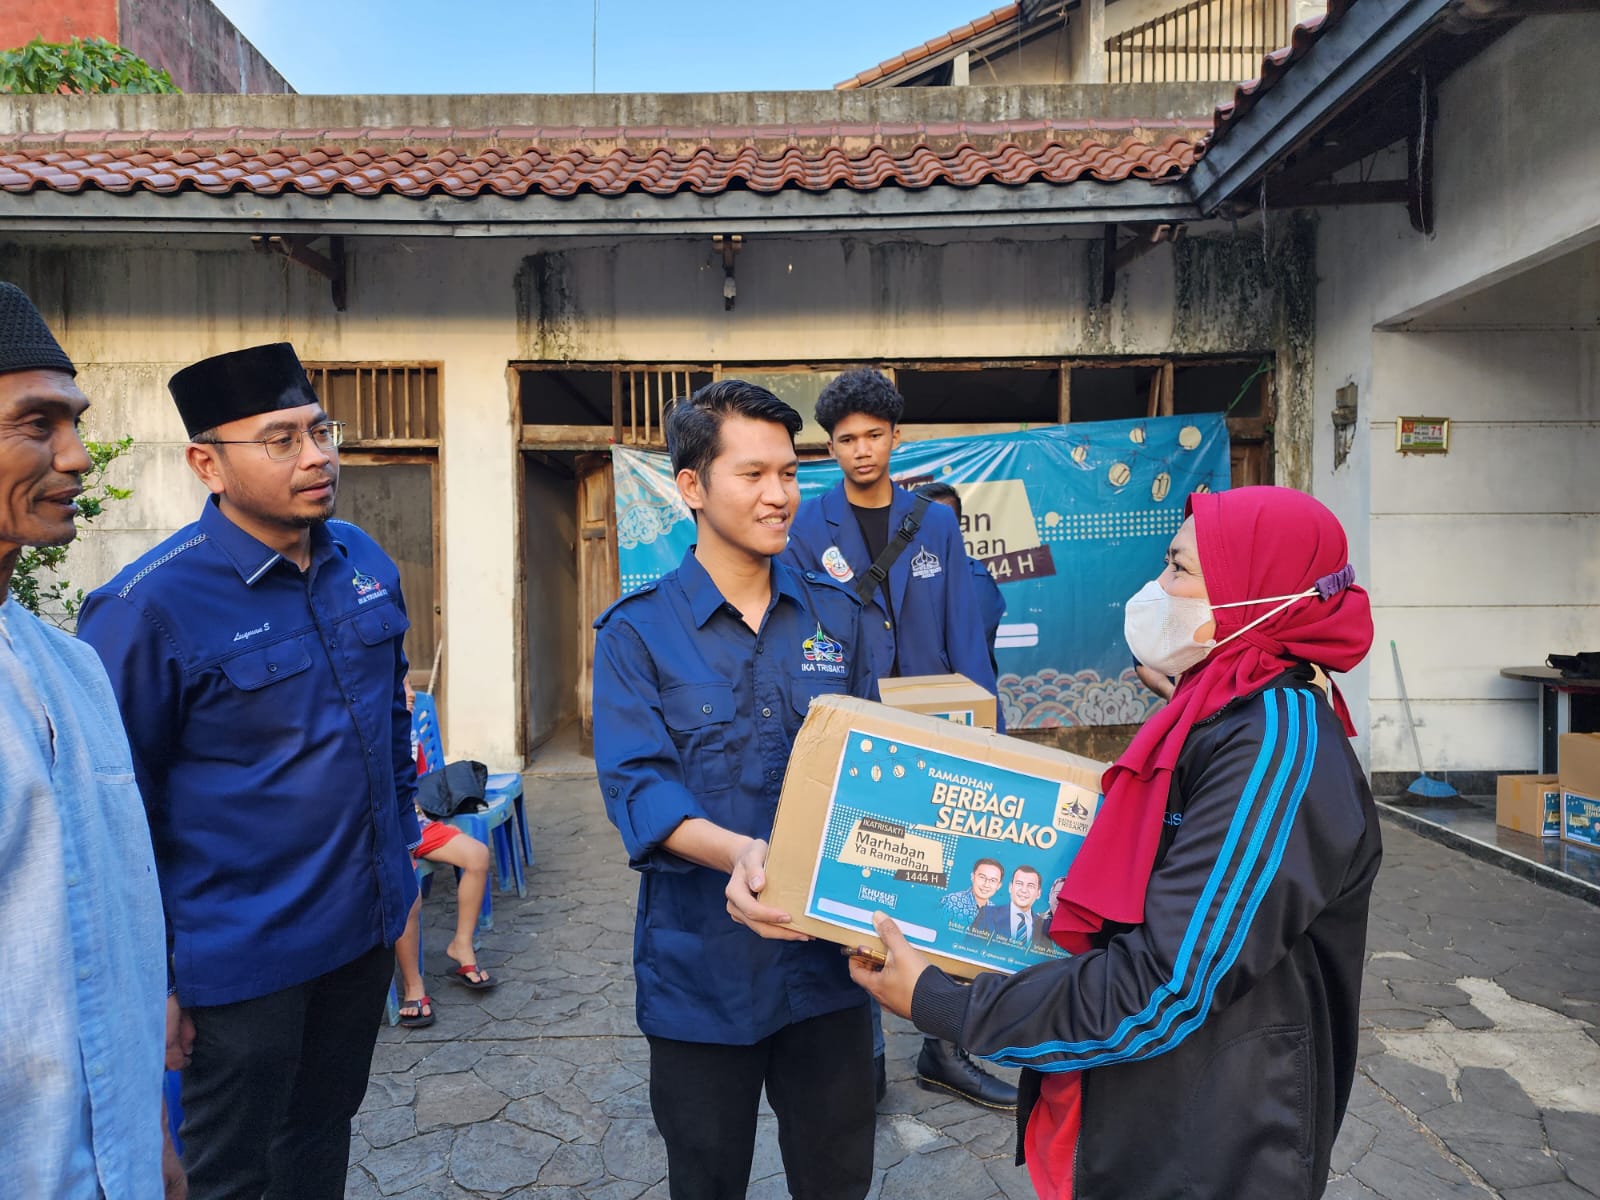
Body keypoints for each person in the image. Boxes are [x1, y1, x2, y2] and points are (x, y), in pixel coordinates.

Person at [852, 486, 1381, 1200]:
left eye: (1179, 569)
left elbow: (1168, 980)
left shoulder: (1276, 743)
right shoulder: (1219, 714)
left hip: (1212, 1148)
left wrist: (950, 1007)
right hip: (1142, 1113)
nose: (1158, 588)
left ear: (1257, 593)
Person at [78, 342, 421, 1200]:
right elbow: (111, 819)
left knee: (320, 1141)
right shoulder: (145, 609)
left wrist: (403, 860)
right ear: (207, 463)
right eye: (280, 440)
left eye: (319, 430)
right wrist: (153, 981)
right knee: (232, 1173)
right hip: (239, 963)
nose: (316, 457)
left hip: (361, 933)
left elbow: (388, 723)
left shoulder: (364, 563)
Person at [593, 379, 880, 1200]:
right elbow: (639, 788)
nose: (780, 495)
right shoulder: (636, 634)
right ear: (691, 486)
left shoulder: (839, 619)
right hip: (700, 978)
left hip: (827, 971)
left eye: (789, 474)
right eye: (753, 475)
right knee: (707, 1180)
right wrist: (742, 854)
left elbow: (870, 774)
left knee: (837, 1181)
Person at [784, 368, 1013, 1110]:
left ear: (895, 437)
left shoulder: (935, 522)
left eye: (873, 436)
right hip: (856, 739)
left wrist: (987, 735)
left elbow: (962, 635)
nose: (860, 451)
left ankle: (946, 1047)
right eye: (845, 439)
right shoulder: (807, 526)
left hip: (933, 734)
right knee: (857, 891)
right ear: (830, 446)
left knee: (941, 890)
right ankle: (866, 1057)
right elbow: (799, 638)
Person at [0, 282, 180, 1198]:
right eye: (37, 425)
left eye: (74, 422)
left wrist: (149, 1134)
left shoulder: (70, 669)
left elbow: (113, 926)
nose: (74, 456)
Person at [394, 680, 495, 1028]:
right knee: (410, 896)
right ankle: (413, 984)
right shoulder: (366, 734)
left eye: (409, 685)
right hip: (384, 835)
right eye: (400, 686)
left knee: (477, 855)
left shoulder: (407, 733)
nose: (410, 694)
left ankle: (461, 946)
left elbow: (418, 784)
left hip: (417, 825)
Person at [915, 480, 1004, 673]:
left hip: (963, 694)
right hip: (908, 694)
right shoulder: (904, 575)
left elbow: (967, 649)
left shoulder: (975, 579)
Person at [970, 865, 1045, 946]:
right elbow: (970, 946)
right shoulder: (987, 914)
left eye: (1030, 886)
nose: (1024, 890)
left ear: (1038, 893)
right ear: (1010, 887)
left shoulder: (1043, 925)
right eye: (1019, 883)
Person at [939, 856, 1004, 924]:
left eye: (993, 880)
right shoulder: (951, 902)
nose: (986, 884)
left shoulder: (995, 913)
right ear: (972, 877)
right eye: (982, 877)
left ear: (999, 886)